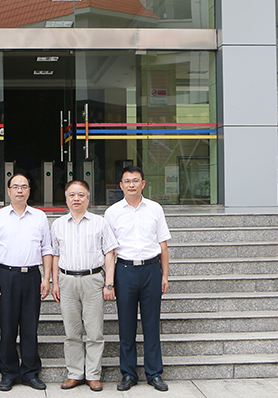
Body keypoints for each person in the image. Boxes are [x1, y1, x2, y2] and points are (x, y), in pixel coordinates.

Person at [104, 165, 171, 392]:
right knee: (126, 325)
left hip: (151, 270)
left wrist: (165, 275)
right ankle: (128, 373)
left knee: (152, 324)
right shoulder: (112, 212)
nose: (131, 184)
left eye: (135, 180)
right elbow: (109, 251)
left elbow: (163, 245)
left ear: (143, 184)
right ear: (121, 185)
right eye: (127, 181)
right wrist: (109, 282)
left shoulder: (155, 209)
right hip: (125, 271)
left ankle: (154, 373)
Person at [0, 173, 53, 392]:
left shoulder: (39, 216)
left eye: (24, 186)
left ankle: (30, 373)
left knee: (30, 327)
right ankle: (8, 373)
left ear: (29, 191)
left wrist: (46, 278)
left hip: (32, 276)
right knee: (7, 328)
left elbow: (47, 249)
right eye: (15, 187)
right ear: (9, 191)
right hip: (6, 276)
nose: (20, 190)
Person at [51, 180, 118, 392]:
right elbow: (55, 255)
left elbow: (109, 254)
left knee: (94, 331)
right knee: (72, 331)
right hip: (67, 280)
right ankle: (74, 373)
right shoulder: (58, 224)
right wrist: (54, 282)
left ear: (88, 198)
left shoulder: (100, 222)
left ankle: (93, 374)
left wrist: (109, 283)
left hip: (93, 280)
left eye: (81, 195)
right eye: (72, 195)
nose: (76, 199)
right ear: (66, 199)